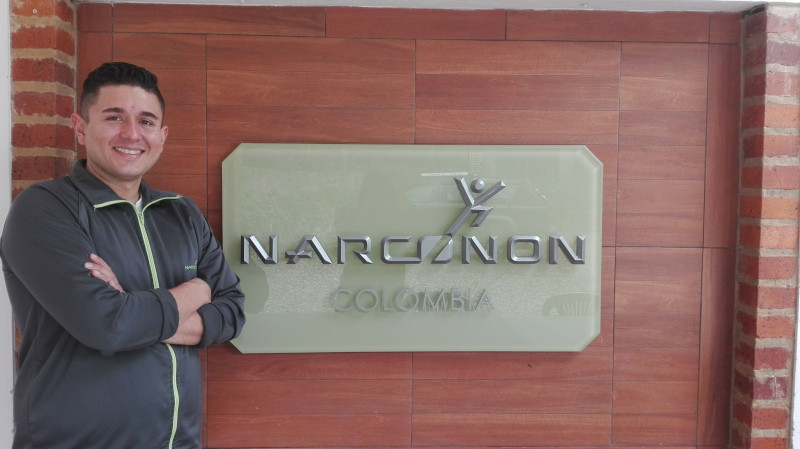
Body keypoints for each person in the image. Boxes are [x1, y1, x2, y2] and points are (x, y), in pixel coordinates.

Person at [0, 62, 246, 449]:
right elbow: (109, 326)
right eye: (114, 117)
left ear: (162, 135)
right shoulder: (45, 208)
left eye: (146, 121)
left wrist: (132, 310)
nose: (132, 133)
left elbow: (232, 313)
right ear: (80, 127)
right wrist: (196, 291)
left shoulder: (181, 213)